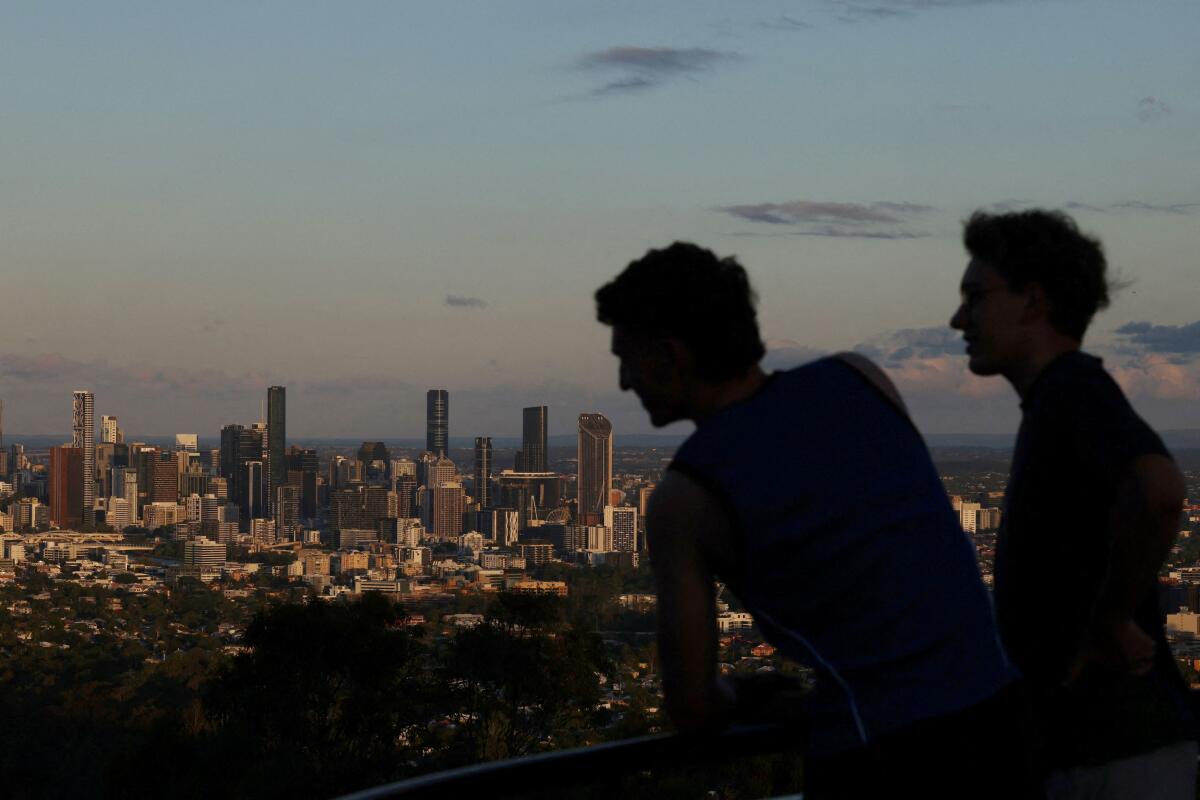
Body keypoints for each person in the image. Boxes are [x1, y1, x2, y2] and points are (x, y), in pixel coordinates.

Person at [596, 241, 1031, 799]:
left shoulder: (687, 498)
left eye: (625, 358)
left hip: (879, 756)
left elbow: (694, 707)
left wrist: (748, 695)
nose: (624, 382)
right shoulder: (861, 379)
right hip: (1005, 726)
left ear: (670, 355)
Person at [950, 209, 1196, 798]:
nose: (959, 318)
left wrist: (1112, 618)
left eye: (974, 296)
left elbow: (1161, 489)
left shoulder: (1071, 390)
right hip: (1111, 747)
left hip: (1115, 753)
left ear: (1032, 303)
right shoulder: (1059, 400)